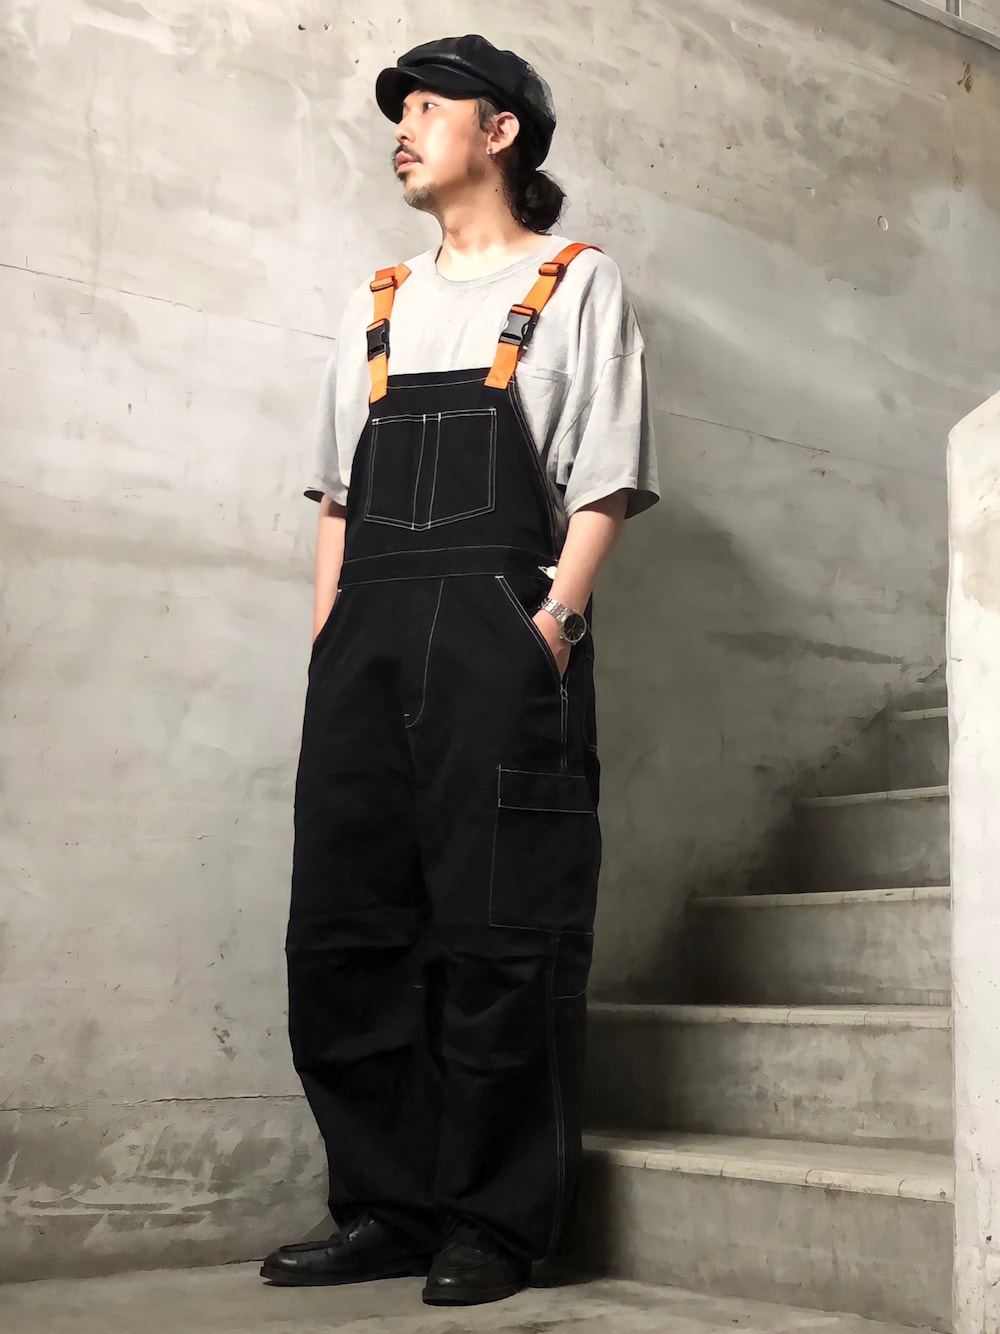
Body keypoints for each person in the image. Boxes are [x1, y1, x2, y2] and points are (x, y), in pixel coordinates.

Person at [260, 33, 660, 1308]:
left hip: (503, 641)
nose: (404, 125)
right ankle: (384, 1207)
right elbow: (337, 493)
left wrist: (550, 627)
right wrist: (328, 638)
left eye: (429, 105)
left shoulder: (575, 280)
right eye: (401, 109)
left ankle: (492, 1222)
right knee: (347, 932)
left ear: (501, 131)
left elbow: (604, 475)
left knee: (503, 934)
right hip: (364, 647)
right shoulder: (376, 298)